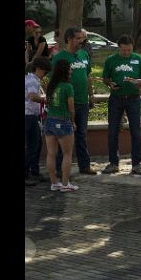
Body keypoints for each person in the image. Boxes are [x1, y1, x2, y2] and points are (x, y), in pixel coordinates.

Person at [101, 35, 141, 175]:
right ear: (119, 48)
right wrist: (110, 84)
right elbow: (105, 77)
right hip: (116, 98)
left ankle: (136, 164)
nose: (127, 53)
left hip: (133, 99)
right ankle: (113, 162)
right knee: (113, 131)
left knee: (136, 132)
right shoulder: (111, 60)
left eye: (129, 50)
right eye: (124, 51)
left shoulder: (138, 59)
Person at [52, 27, 96, 175]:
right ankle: (60, 168)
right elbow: (54, 80)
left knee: (82, 135)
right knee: (63, 135)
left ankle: (85, 166)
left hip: (83, 101)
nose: (81, 41)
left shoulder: (84, 54)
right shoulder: (59, 58)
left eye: (81, 38)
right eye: (78, 38)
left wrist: (91, 95)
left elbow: (88, 76)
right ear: (69, 39)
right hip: (66, 103)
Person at [44, 59, 79, 192]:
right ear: (65, 71)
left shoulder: (51, 85)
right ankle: (65, 184)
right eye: (70, 68)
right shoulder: (67, 87)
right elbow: (71, 108)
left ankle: (54, 183)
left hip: (50, 121)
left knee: (51, 154)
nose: (71, 70)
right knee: (67, 154)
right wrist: (73, 121)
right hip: (63, 122)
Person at [25, 57, 52, 185]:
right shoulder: (32, 81)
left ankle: (34, 172)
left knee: (36, 144)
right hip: (29, 115)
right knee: (32, 145)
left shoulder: (34, 79)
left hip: (32, 115)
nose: (45, 74)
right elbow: (32, 96)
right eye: (45, 72)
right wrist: (45, 100)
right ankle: (27, 175)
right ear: (39, 69)